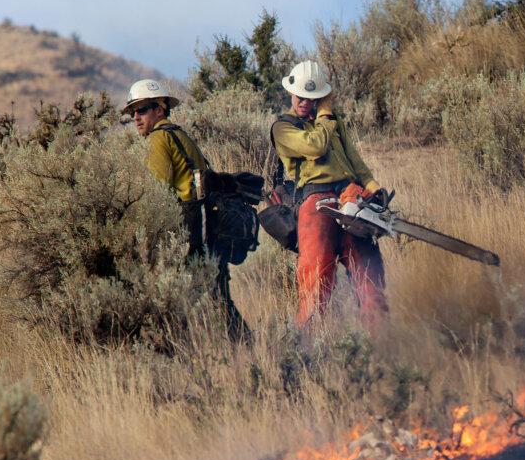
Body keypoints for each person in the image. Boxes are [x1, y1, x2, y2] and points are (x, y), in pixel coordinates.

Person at [123, 79, 249, 340]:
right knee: (217, 292)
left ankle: (179, 348)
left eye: (142, 109)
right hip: (206, 221)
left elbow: (158, 189)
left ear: (160, 109)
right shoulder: (178, 134)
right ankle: (243, 344)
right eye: (133, 112)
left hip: (187, 224)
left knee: (177, 295)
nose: (136, 117)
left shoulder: (159, 138)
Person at [271, 60, 388, 329]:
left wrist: (373, 187)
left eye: (311, 98)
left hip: (351, 196)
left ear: (320, 97)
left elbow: (356, 162)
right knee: (315, 282)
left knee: (370, 281)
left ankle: (380, 343)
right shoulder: (283, 127)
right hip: (315, 202)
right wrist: (325, 115)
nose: (304, 102)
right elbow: (315, 146)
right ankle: (310, 346)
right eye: (300, 96)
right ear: (291, 92)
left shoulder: (334, 123)